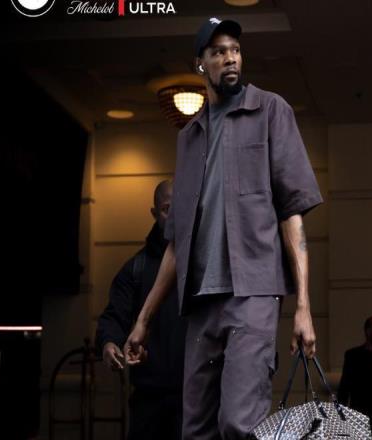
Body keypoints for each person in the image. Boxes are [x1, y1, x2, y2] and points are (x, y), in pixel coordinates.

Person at [125, 17, 324, 439]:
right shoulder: (189, 137)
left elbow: (292, 214)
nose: (230, 58)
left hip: (252, 294)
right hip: (200, 303)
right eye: (218, 52)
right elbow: (177, 242)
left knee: (239, 423)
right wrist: (143, 320)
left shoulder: (270, 110)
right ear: (200, 64)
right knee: (195, 428)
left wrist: (303, 306)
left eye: (235, 49)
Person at [95, 180, 187, 440]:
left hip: (193, 397)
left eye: (180, 208)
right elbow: (113, 317)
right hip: (148, 401)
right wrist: (109, 343)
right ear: (154, 213)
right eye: (167, 209)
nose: (174, 217)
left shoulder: (202, 266)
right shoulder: (136, 268)